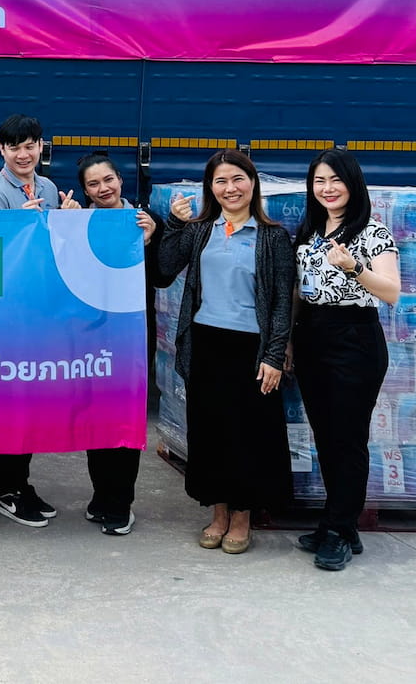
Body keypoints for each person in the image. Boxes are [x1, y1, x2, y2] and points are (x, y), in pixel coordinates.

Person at [158, 149, 294, 555]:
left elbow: (282, 303)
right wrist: (174, 223)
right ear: (210, 188)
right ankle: (217, 514)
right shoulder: (202, 230)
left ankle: (241, 518)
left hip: (251, 349)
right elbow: (164, 269)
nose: (230, 188)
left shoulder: (273, 237)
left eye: (238, 179)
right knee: (210, 433)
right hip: (205, 343)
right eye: (221, 181)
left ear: (252, 183)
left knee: (247, 437)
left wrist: (273, 356)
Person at [291, 149, 399, 571]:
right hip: (312, 335)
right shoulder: (310, 231)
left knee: (348, 438)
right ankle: (340, 524)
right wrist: (289, 341)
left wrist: (355, 268)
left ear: (353, 183)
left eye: (335, 180)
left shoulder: (373, 232)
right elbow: (300, 290)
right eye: (319, 181)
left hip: (355, 339)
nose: (327, 188)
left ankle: (338, 530)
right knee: (325, 435)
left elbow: (391, 292)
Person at [0, 114, 77, 528]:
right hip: (6, 320)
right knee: (9, 405)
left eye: (30, 145)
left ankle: (21, 482)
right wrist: (21, 230)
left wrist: (68, 221)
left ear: (40, 147)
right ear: (2, 150)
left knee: (30, 407)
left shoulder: (48, 188)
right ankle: (8, 489)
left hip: (40, 315)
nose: (23, 154)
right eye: (14, 147)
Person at [77, 151, 173, 536]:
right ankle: (101, 495)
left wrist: (151, 240)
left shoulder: (145, 220)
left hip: (131, 337)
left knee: (124, 415)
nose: (103, 188)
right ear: (86, 191)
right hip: (88, 337)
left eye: (108, 179)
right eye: (93, 184)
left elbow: (163, 277)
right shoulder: (78, 225)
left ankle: (121, 503)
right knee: (94, 415)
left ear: (120, 179)